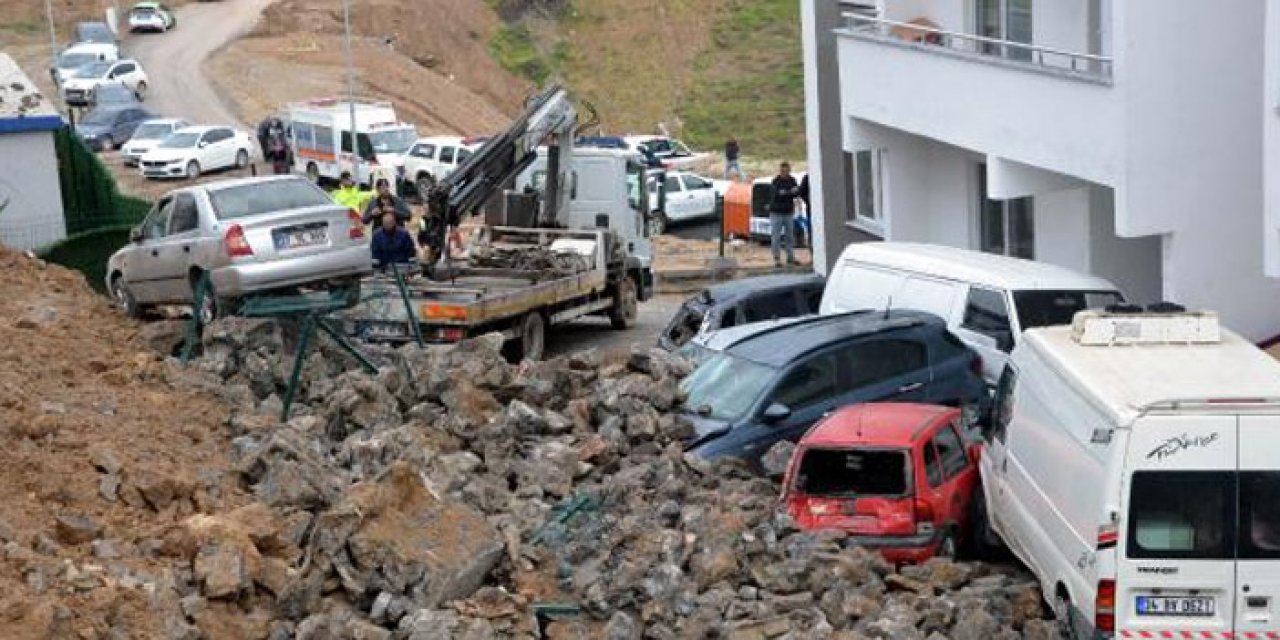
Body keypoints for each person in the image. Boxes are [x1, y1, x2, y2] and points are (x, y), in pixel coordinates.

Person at [769, 162, 801, 267]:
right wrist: (789, 192)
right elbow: (778, 195)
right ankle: (777, 258)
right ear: (780, 171)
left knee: (790, 236)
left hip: (788, 212)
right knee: (776, 236)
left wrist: (787, 193)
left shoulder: (792, 180)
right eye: (783, 171)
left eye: (787, 171)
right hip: (776, 212)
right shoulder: (775, 182)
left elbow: (796, 192)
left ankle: (790, 257)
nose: (785, 173)